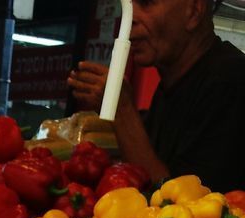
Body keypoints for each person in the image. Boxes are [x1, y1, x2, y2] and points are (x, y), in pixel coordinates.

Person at [67, 0, 245, 192]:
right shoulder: (170, 86)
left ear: (194, 11)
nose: (131, 17)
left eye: (146, 2)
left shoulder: (230, 81)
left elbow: (185, 209)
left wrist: (123, 111)